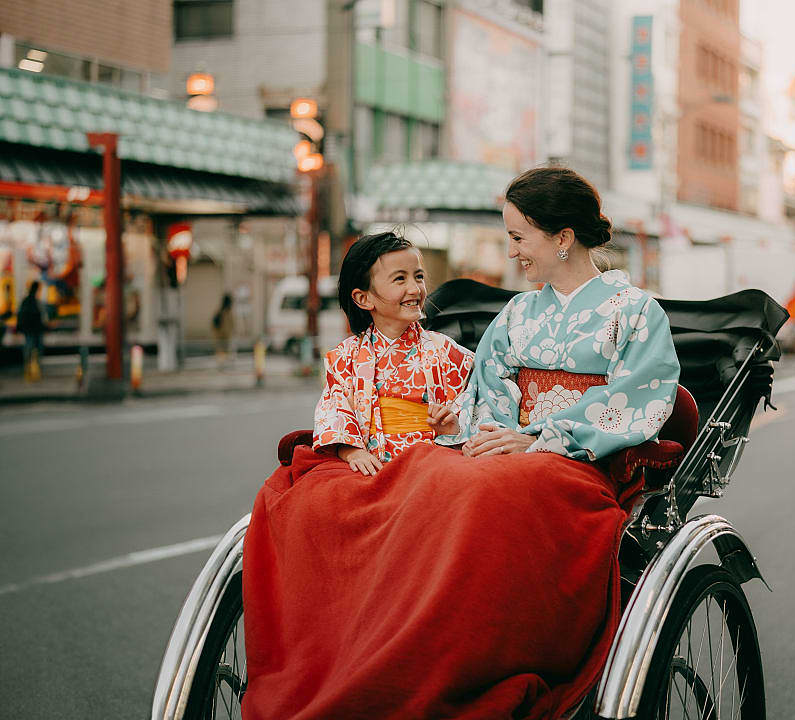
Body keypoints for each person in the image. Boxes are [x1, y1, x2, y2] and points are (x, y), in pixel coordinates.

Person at [241, 168, 680, 720]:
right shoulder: (519, 314)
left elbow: (637, 398)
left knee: (476, 498)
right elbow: (487, 392)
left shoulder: (635, 312)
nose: (513, 251)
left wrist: (539, 438)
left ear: (562, 237)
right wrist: (488, 434)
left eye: (520, 237)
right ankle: (397, 648)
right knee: (430, 473)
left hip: (576, 463)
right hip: (505, 453)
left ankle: (459, 663)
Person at [313, 232, 475, 473]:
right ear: (363, 298)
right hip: (369, 464)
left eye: (418, 277)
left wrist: (454, 426)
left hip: (431, 464)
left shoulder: (448, 352)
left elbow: (473, 406)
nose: (414, 288)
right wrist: (351, 450)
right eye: (400, 279)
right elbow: (335, 410)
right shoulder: (345, 358)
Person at [16, 280, 47, 381]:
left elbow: (20, 315)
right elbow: (42, 316)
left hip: (29, 329)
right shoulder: (36, 302)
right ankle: (37, 371)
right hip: (36, 329)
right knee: (37, 350)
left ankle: (28, 369)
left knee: (29, 349)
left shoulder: (26, 301)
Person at [211, 293, 234, 368]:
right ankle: (223, 365)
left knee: (221, 353)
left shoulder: (219, 311)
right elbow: (228, 326)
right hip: (224, 336)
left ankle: (222, 365)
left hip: (220, 336)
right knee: (224, 353)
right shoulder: (226, 313)